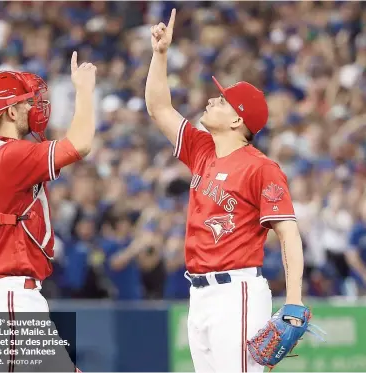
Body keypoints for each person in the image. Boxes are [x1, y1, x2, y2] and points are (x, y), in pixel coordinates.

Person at [145, 9, 307, 372]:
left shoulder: (261, 167)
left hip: (237, 293)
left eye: (222, 100)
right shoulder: (202, 149)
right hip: (199, 293)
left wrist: (294, 299)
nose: (212, 100)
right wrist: (160, 55)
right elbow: (158, 107)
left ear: (237, 120)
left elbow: (288, 232)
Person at [0, 52, 94, 372]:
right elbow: (80, 144)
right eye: (26, 102)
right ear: (10, 111)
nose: (32, 107)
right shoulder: (12, 155)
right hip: (11, 300)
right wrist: (83, 90)